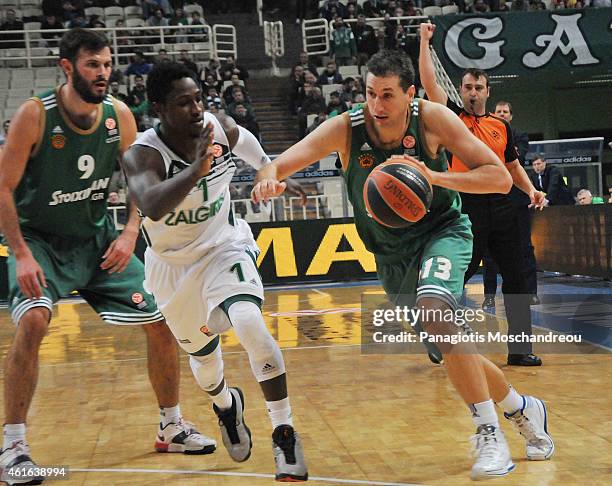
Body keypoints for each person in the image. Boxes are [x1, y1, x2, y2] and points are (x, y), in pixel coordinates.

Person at [252, 49, 554, 481]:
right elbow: (279, 161)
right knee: (449, 347)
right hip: (391, 257)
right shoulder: (347, 128)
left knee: (436, 311)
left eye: (388, 95)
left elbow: (499, 177)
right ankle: (522, 409)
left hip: (442, 233)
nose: (377, 106)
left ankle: (490, 434)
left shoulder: (432, 119)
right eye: (371, 94)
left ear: (410, 94)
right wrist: (269, 179)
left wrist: (434, 177)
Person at [0, 29, 213, 486]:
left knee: (161, 319)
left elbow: (138, 179)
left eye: (107, 65)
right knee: (34, 321)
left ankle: (171, 426)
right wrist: (20, 254)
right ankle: (14, 447)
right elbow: (2, 187)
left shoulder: (119, 116)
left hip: (98, 243)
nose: (103, 73)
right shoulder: (34, 116)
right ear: (67, 68)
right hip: (42, 244)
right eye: (93, 65)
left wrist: (129, 232)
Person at [121, 62, 308, 482]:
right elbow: (150, 203)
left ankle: (285, 432)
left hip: (225, 246)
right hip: (172, 269)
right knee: (205, 364)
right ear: (158, 108)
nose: (195, 110)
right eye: (182, 103)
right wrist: (197, 169)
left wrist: (268, 175)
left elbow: (259, 155)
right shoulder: (142, 153)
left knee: (249, 322)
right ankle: (226, 405)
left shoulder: (218, 127)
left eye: (198, 100)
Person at [419, 22, 545, 367]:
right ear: (461, 91)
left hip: (503, 206)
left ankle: (520, 350)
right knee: (457, 277)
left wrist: (532, 190)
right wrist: (424, 42)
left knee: (517, 279)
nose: (473, 92)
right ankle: (440, 339)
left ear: (488, 92)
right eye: (468, 87)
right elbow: (430, 84)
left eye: (479, 87)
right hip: (466, 207)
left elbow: (513, 168)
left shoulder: (501, 126)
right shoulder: (451, 119)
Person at [481, 100, 538, 307]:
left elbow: (515, 160)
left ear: (511, 116)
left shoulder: (520, 136)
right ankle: (489, 294)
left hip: (518, 200)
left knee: (525, 247)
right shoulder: (484, 133)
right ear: (493, 114)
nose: (502, 114)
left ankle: (530, 292)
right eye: (499, 111)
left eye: (506, 112)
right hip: (493, 197)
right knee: (488, 252)